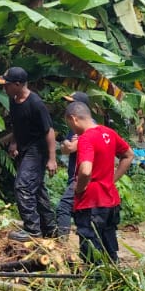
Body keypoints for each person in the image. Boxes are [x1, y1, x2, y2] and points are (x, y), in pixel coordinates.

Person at [66, 99, 133, 261]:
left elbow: (86, 170)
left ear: (74, 119)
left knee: (92, 252)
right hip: (110, 200)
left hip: (91, 203)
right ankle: (113, 278)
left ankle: (94, 281)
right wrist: (112, 179)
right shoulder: (108, 132)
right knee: (109, 247)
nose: (71, 128)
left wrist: (79, 189)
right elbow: (129, 154)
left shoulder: (86, 138)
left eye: (69, 124)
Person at [0, 66, 58, 241]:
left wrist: (52, 159)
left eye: (7, 85)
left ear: (17, 84)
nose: (4, 88)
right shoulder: (14, 99)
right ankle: (50, 228)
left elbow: (49, 131)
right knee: (36, 188)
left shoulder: (35, 103)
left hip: (38, 150)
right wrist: (15, 143)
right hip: (24, 148)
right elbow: (18, 125)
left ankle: (32, 230)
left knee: (23, 186)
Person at [54, 91, 91, 241]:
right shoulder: (74, 126)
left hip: (81, 176)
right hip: (74, 175)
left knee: (64, 206)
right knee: (80, 212)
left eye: (72, 103)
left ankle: (62, 243)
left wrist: (68, 145)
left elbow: (69, 148)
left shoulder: (89, 126)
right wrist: (68, 144)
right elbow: (65, 148)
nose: (68, 106)